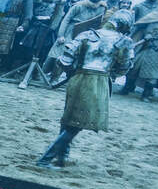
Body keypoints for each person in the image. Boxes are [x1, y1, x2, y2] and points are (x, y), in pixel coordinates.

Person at [36, 17, 135, 168]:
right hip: (98, 81)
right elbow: (122, 69)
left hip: (78, 78)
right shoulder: (124, 41)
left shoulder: (87, 34)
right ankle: (45, 160)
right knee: (76, 124)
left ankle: (62, 158)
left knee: (69, 119)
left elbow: (64, 61)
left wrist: (75, 71)